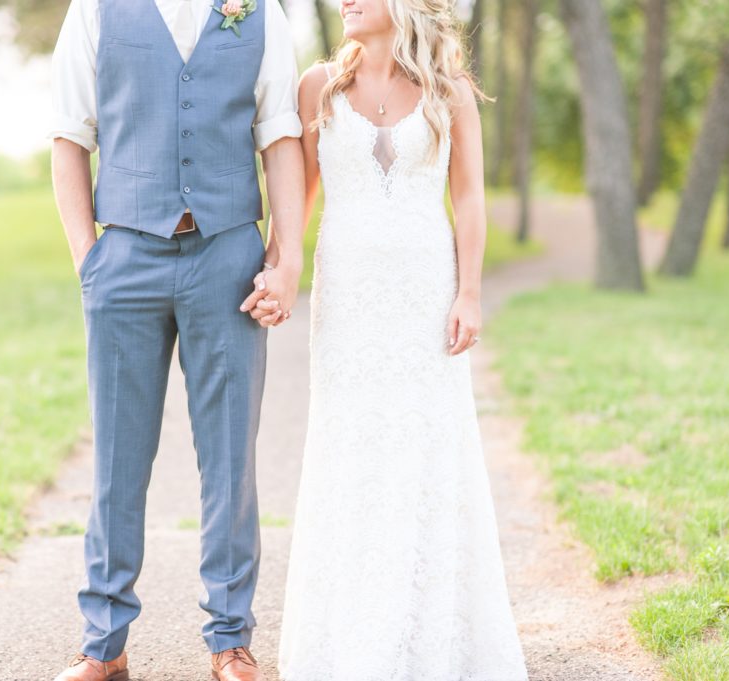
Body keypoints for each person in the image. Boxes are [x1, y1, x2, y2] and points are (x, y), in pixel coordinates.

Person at [263, 0, 530, 678]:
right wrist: (277, 264)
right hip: (347, 300)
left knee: (425, 446)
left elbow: (468, 198)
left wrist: (469, 290)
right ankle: (348, 639)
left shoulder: (451, 90)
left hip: (424, 295)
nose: (346, 1)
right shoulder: (318, 86)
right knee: (350, 445)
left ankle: (430, 636)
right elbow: (301, 194)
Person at [46, 1, 305, 680]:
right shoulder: (96, 11)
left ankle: (229, 638)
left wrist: (286, 255)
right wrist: (89, 260)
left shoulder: (260, 14)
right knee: (115, 459)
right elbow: (70, 136)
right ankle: (103, 642)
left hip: (229, 259)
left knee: (229, 458)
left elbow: (281, 138)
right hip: (125, 259)